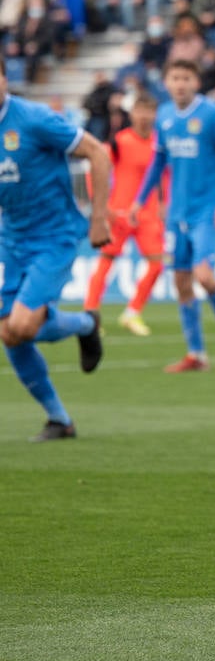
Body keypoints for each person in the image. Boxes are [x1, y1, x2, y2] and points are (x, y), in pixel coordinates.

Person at [0, 67, 111, 441]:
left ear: (4, 79)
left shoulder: (34, 119)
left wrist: (99, 218)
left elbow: (97, 152)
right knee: (8, 333)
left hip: (54, 236)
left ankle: (85, 325)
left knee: (23, 325)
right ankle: (60, 420)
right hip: (10, 240)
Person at [132, 59, 215, 373]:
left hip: (207, 208)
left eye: (186, 77)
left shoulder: (213, 114)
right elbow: (158, 163)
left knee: (203, 274)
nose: (180, 83)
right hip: (176, 211)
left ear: (196, 82)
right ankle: (196, 353)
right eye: (175, 78)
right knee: (181, 281)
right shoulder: (165, 116)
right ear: (166, 82)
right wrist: (140, 201)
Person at [84, 91, 165, 336]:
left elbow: (166, 174)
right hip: (118, 212)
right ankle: (91, 315)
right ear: (132, 113)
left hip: (147, 213)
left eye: (149, 111)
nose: (144, 116)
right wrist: (101, 205)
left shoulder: (159, 143)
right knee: (106, 263)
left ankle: (132, 313)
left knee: (157, 264)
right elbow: (93, 169)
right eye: (140, 110)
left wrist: (165, 202)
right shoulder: (120, 141)